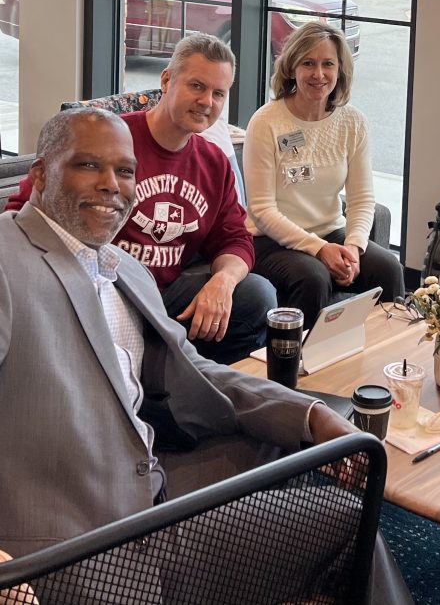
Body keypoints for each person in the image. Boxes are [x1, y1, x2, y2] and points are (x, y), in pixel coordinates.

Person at [0, 108, 411, 603]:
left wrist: (313, 416)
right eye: (88, 166)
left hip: (153, 486)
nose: (112, 185)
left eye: (125, 171)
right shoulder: (8, 259)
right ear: (41, 175)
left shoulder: (123, 269)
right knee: (347, 520)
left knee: (312, 463)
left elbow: (193, 368)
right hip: (76, 547)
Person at [6, 34, 275, 364]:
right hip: (98, 287)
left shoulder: (214, 162)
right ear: (166, 80)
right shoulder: (111, 139)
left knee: (257, 295)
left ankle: (208, 393)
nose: (207, 101)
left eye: (218, 93)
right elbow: (23, 209)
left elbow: (234, 238)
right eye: (196, 86)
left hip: (165, 297)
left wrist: (223, 281)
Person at [243, 21, 404, 330]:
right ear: (292, 67)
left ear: (340, 69)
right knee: (313, 278)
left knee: (388, 269)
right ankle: (298, 369)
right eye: (308, 63)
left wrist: (355, 248)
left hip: (332, 232)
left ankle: (385, 355)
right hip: (271, 241)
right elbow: (262, 210)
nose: (319, 74)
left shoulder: (352, 123)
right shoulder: (266, 122)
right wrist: (319, 249)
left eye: (328, 63)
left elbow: (361, 199)